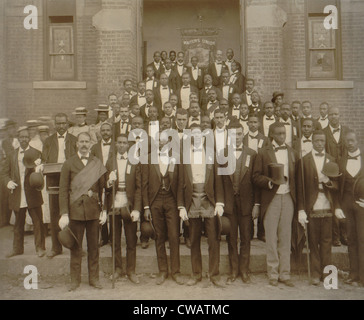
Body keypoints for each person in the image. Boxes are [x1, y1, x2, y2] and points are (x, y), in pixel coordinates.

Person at [58, 132, 107, 291]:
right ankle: (75, 280)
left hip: (93, 211)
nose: (84, 144)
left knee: (94, 247)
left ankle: (94, 278)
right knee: (75, 247)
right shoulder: (68, 163)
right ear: (77, 144)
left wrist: (104, 210)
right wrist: (64, 213)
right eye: (82, 142)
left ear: (91, 144)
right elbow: (63, 190)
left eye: (87, 141)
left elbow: (103, 190)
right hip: (76, 212)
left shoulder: (96, 163)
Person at [178, 124, 225, 287]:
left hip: (209, 199)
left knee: (213, 239)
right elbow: (180, 182)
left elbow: (218, 179)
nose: (197, 136)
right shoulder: (184, 155)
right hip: (191, 199)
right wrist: (181, 206)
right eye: (194, 134)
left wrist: (219, 202)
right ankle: (196, 273)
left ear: (204, 136)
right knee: (194, 239)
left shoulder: (211, 154)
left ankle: (214, 274)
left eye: (200, 134)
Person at [253, 122, 298, 287]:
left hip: (288, 198)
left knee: (285, 237)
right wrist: (270, 183)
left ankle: (285, 274)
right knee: (271, 238)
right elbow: (256, 177)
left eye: (284, 133)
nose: (282, 136)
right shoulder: (263, 153)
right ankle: (272, 273)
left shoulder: (292, 152)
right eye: (278, 133)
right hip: (270, 199)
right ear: (271, 135)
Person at [297, 130, 340, 285]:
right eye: (317, 141)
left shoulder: (332, 159)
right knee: (313, 242)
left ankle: (328, 275)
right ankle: (315, 274)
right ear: (312, 142)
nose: (320, 144)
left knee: (327, 242)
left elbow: (337, 185)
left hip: (327, 204)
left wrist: (328, 182)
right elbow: (300, 187)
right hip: (311, 205)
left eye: (322, 141)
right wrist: (301, 209)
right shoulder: (304, 161)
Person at [142, 132, 184, 285]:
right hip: (155, 200)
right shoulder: (148, 158)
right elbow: (144, 184)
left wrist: (180, 204)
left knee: (173, 236)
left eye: (164, 140)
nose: (162, 143)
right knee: (159, 236)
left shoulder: (176, 157)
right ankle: (162, 271)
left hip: (171, 200)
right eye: (159, 140)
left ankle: (176, 271)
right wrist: (146, 206)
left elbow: (180, 183)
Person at [220, 121, 258, 284]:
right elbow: (220, 181)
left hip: (246, 203)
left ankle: (244, 271)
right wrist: (221, 203)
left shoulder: (252, 154)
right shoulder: (222, 154)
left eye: (239, 134)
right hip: (229, 203)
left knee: (245, 237)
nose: (236, 137)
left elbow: (255, 182)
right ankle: (233, 271)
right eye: (233, 134)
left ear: (243, 135)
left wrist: (257, 204)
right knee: (232, 238)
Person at [3, 127, 45, 258]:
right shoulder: (12, 155)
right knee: (18, 223)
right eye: (21, 137)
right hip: (17, 193)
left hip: (32, 193)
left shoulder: (37, 153)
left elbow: (44, 169)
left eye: (26, 137)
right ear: (18, 138)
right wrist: (8, 182)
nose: (24, 140)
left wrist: (40, 167)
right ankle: (17, 249)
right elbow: (4, 172)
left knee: (38, 222)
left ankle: (40, 248)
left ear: (29, 138)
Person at [105, 134, 142, 284]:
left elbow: (139, 187)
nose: (121, 145)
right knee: (115, 239)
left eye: (124, 143)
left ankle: (131, 270)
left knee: (131, 239)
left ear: (128, 145)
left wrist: (137, 209)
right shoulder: (109, 162)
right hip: (114, 204)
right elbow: (104, 186)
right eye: (119, 142)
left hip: (129, 205)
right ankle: (117, 269)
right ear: (115, 144)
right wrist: (109, 181)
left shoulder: (135, 161)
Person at [42, 113, 77, 258]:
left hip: (71, 181)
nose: (61, 126)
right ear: (54, 125)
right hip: (54, 181)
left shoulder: (74, 140)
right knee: (55, 212)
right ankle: (56, 248)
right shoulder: (48, 141)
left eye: (63, 123)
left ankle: (76, 246)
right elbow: (44, 159)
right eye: (58, 123)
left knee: (74, 214)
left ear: (67, 124)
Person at [338, 130, 364, 287]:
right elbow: (337, 187)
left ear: (358, 140)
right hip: (347, 205)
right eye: (347, 140)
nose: (350, 143)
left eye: (352, 140)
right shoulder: (341, 161)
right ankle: (354, 274)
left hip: (362, 205)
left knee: (363, 239)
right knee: (351, 240)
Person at [323, 106, 349, 246]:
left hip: (345, 174)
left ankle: (345, 234)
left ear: (340, 115)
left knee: (344, 202)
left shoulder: (347, 132)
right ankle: (335, 236)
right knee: (333, 203)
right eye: (331, 114)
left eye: (336, 114)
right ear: (328, 117)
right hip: (331, 174)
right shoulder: (323, 133)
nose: (334, 116)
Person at [91, 122, 114, 247]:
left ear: (111, 132)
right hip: (99, 179)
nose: (105, 132)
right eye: (103, 130)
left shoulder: (115, 146)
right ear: (100, 132)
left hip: (112, 178)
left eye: (108, 130)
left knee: (112, 207)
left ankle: (113, 237)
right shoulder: (94, 147)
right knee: (101, 206)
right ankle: (103, 236)